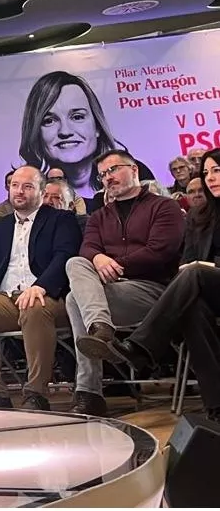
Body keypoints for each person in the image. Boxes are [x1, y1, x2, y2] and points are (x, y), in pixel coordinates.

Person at [89, 149, 220, 420]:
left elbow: (172, 258)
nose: (211, 178)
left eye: (217, 170)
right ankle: (216, 405)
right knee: (193, 309)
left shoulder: (163, 207)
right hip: (208, 288)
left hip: (206, 279)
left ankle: (140, 348)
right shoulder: (201, 215)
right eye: (207, 173)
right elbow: (187, 260)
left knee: (194, 276)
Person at [67, 150, 185, 416]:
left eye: (113, 170)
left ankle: (89, 392)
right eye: (102, 175)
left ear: (134, 170)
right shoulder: (99, 216)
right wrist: (97, 258)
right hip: (111, 292)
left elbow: (160, 251)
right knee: (75, 265)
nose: (108, 178)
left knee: (75, 299)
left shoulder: (164, 207)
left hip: (155, 292)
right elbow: (87, 248)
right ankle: (102, 330)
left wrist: (114, 264)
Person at [0, 166, 81, 409]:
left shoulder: (61, 220)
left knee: (34, 308)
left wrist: (41, 286)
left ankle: (36, 393)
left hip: (48, 295)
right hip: (6, 297)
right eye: (14, 185)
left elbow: (64, 256)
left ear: (42, 192)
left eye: (27, 186)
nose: (19, 191)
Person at [18, 71, 127, 199]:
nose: (65, 131)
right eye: (49, 121)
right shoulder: (27, 197)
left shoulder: (130, 176)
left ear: (97, 126)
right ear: (36, 133)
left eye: (77, 117)